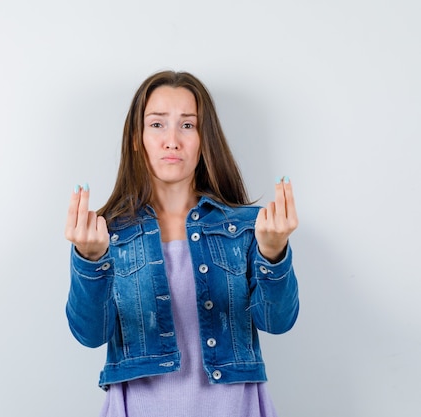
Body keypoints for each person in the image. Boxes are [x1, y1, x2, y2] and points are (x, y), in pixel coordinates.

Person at [64, 70, 299, 417]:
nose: (171, 140)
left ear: (205, 139)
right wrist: (89, 260)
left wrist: (274, 252)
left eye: (187, 125)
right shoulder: (104, 232)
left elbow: (277, 322)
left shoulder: (248, 227)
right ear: (136, 137)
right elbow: (90, 333)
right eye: (157, 124)